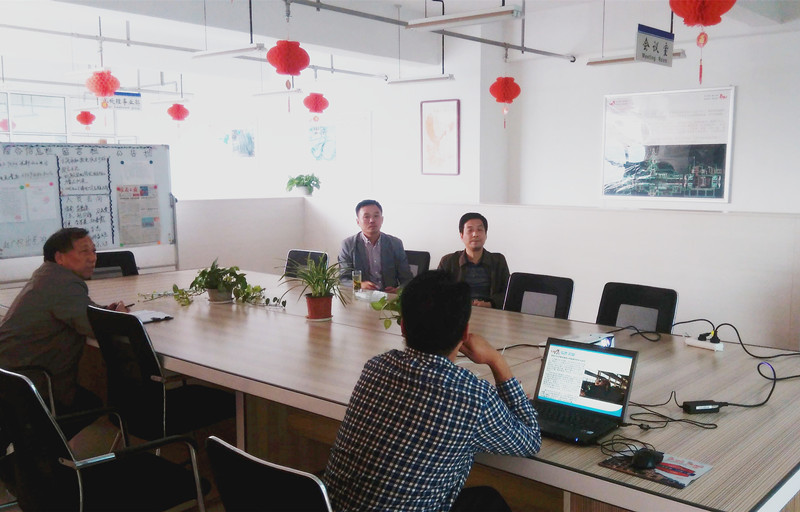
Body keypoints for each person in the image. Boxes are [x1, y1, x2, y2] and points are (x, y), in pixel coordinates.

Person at [324, 271, 540, 512]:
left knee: (485, 498)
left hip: (331, 506)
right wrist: (496, 360)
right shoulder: (473, 397)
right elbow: (531, 440)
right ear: (465, 333)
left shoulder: (375, 367)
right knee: (489, 501)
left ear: (403, 326)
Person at [0, 227, 128, 417]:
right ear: (59, 257)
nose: (92, 258)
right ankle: (47, 440)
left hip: (10, 378)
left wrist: (103, 311)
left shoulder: (47, 275)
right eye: (84, 251)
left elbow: (78, 309)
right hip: (32, 386)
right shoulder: (64, 283)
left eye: (94, 251)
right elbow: (97, 329)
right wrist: (120, 318)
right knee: (95, 404)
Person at [338, 199, 413, 293]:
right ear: (358, 221)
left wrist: (398, 290)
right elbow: (343, 279)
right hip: (362, 296)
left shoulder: (395, 243)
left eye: (376, 216)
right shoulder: (348, 245)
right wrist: (359, 285)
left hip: (388, 297)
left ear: (382, 220)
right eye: (366, 217)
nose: (372, 220)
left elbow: (407, 279)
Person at [438, 212, 510, 309]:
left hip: (489, 312)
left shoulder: (498, 261)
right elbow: (437, 292)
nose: (475, 234)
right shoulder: (448, 261)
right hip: (457, 311)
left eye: (479, 230)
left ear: (485, 235)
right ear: (461, 235)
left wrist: (490, 304)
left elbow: (508, 293)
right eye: (470, 230)